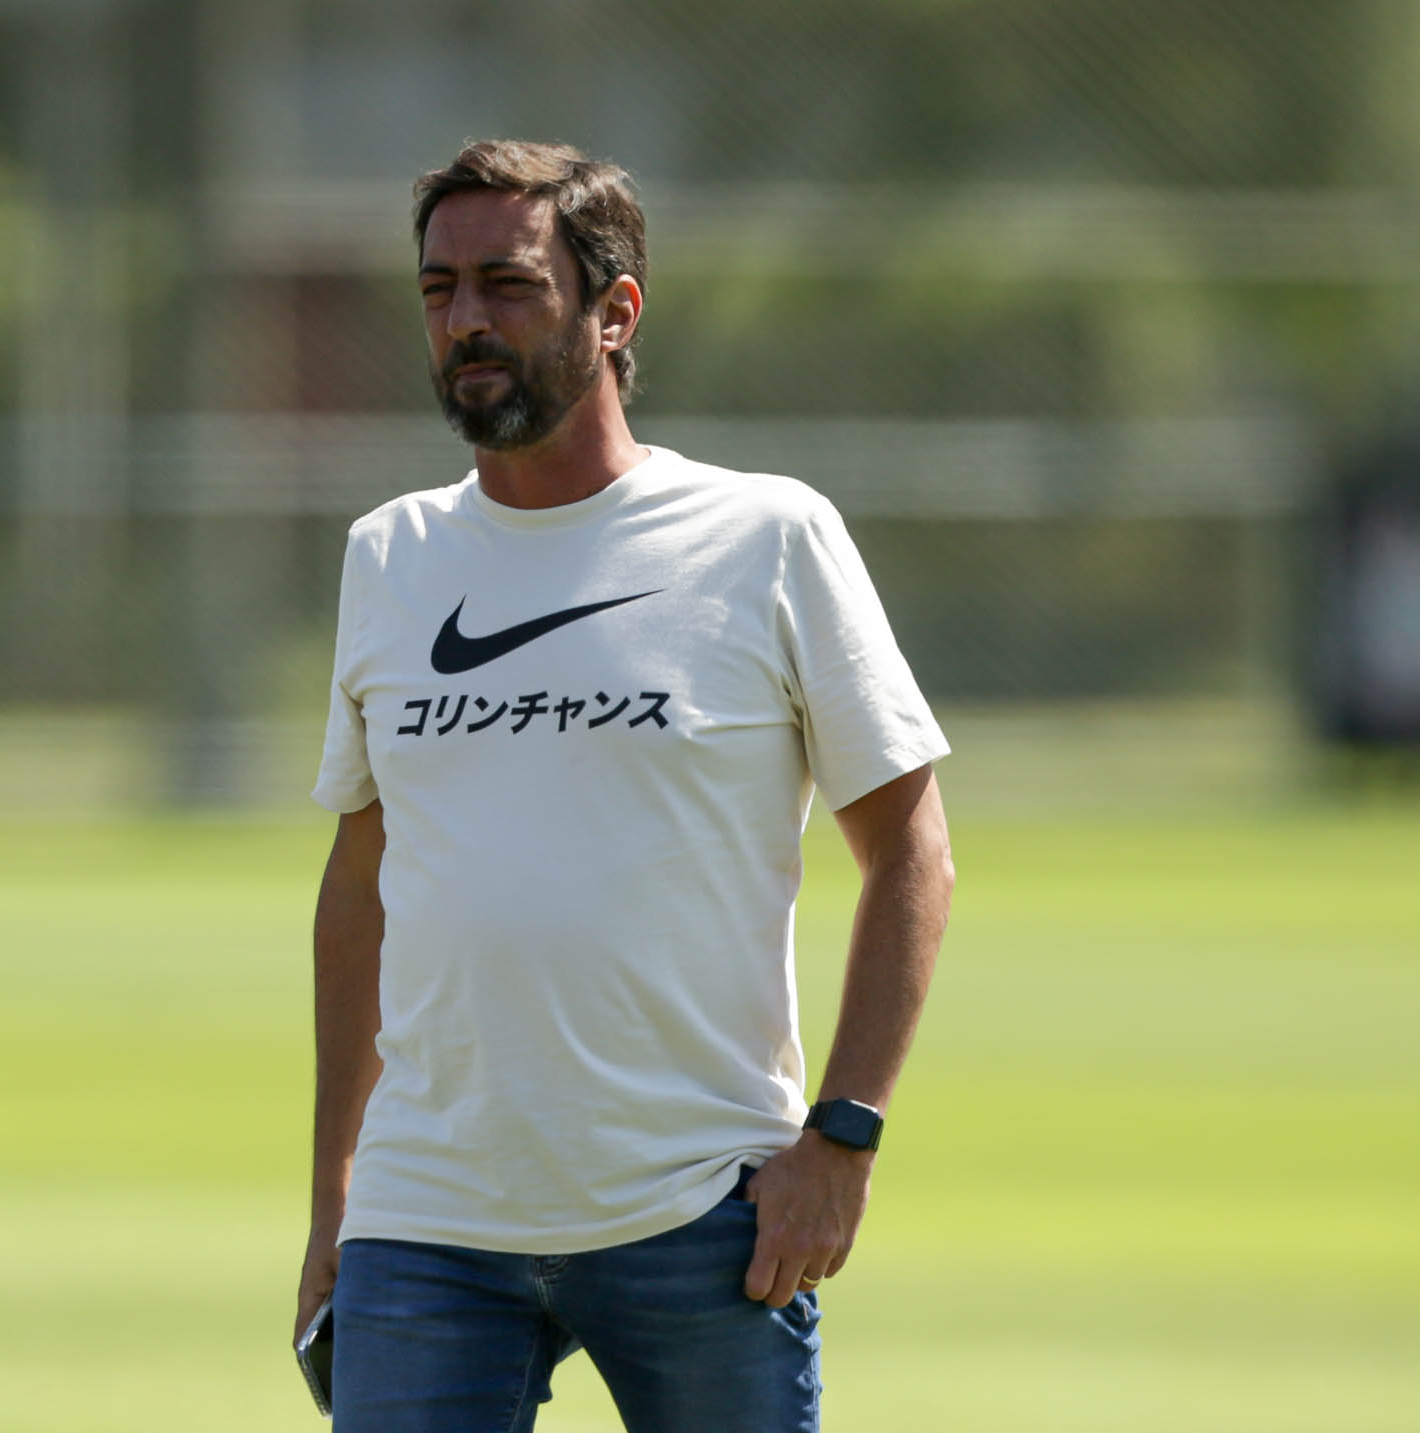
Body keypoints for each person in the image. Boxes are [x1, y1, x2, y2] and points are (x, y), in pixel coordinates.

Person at [295, 138, 955, 1432]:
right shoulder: (391, 554)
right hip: (427, 1225)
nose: (465, 320)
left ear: (616, 312)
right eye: (438, 290)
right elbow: (361, 885)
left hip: (703, 1215)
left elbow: (911, 854)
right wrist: (338, 1197)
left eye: (508, 284)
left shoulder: (769, 537)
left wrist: (845, 1135)